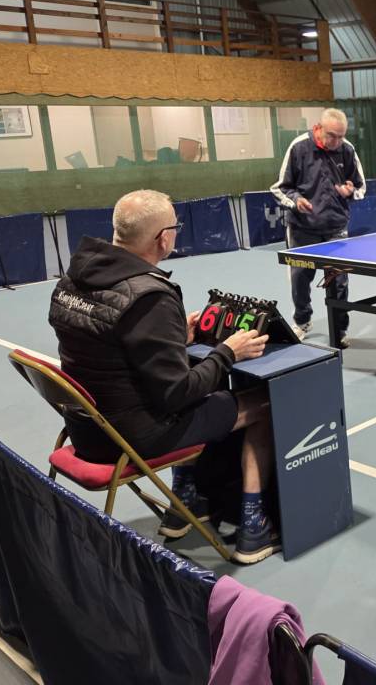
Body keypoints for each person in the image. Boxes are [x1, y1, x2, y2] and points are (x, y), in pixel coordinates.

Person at [48, 190, 280, 564]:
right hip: (132, 438)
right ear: (163, 238)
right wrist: (228, 352)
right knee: (267, 403)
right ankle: (254, 527)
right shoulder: (149, 296)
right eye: (175, 227)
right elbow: (178, 394)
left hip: (86, 429)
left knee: (196, 380)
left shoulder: (70, 282)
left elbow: (109, 348)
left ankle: (185, 500)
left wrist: (170, 339)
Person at [270, 108, 366, 348]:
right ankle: (302, 321)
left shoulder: (347, 149)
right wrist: (296, 201)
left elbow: (361, 187)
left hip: (336, 227)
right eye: (332, 135)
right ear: (319, 128)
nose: (337, 141)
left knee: (339, 281)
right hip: (302, 228)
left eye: (341, 136)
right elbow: (280, 188)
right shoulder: (299, 147)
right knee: (300, 279)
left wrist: (350, 191)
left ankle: (339, 329)